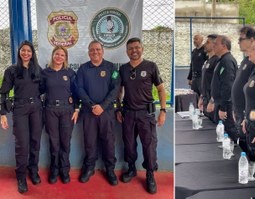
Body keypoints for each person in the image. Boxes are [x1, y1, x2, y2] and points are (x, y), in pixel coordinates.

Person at [116, 37, 166, 194]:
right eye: (130, 48)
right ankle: (131, 169)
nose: (134, 51)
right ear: (126, 51)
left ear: (142, 49)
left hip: (146, 114)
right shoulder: (123, 69)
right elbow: (119, 91)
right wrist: (118, 108)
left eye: (137, 47)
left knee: (149, 146)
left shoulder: (151, 66)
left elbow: (161, 89)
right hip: (128, 113)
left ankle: (150, 174)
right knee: (129, 144)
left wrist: (163, 111)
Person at [0, 40, 43, 193]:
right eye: (23, 50)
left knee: (35, 141)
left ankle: (33, 170)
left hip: (37, 108)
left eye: (29, 51)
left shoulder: (38, 70)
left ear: (32, 53)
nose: (26, 53)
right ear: (19, 52)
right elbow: (3, 92)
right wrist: (2, 114)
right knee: (22, 144)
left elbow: (45, 88)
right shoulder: (12, 70)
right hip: (20, 109)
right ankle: (21, 176)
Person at [76, 40, 120, 186]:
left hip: (106, 112)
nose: (95, 52)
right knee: (89, 141)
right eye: (92, 50)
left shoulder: (111, 68)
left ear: (103, 51)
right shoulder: (83, 69)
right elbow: (79, 89)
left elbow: (115, 90)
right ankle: (89, 168)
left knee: (108, 141)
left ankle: (110, 169)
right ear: (88, 52)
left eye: (97, 49)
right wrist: (91, 105)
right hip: (89, 113)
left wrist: (103, 106)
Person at [40, 46, 79, 184]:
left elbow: (76, 93)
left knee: (65, 143)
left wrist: (76, 109)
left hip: (67, 111)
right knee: (54, 142)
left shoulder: (70, 73)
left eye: (62, 55)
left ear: (65, 58)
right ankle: (54, 170)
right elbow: (39, 90)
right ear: (53, 55)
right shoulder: (45, 73)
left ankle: (64, 171)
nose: (59, 57)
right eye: (57, 54)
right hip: (50, 109)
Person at [231, 26, 255, 152]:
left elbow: (254, 93)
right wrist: (234, 108)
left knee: (249, 150)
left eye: (241, 39)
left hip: (248, 115)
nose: (238, 42)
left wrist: (245, 116)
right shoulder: (246, 60)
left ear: (252, 40)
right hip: (239, 112)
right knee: (242, 147)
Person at [207, 35, 238, 142]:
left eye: (216, 44)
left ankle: (232, 153)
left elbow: (228, 86)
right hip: (219, 103)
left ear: (224, 46)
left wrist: (224, 107)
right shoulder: (222, 60)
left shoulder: (227, 61)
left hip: (226, 105)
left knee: (229, 131)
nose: (213, 46)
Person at [198, 34, 219, 122]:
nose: (204, 44)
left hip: (212, 100)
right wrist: (202, 96)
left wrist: (212, 100)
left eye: (208, 42)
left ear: (214, 45)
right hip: (206, 98)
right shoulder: (207, 61)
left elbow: (217, 83)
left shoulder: (217, 60)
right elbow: (205, 81)